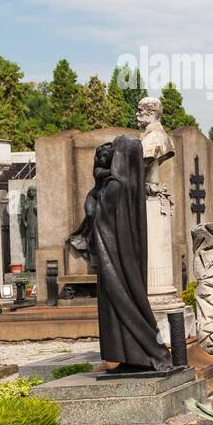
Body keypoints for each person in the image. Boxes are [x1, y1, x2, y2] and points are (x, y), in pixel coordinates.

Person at [67, 137, 172, 373]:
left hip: (112, 257)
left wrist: (94, 195)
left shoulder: (115, 185)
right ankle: (128, 356)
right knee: (120, 307)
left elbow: (100, 216)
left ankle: (138, 356)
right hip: (119, 256)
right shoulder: (130, 185)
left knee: (119, 305)